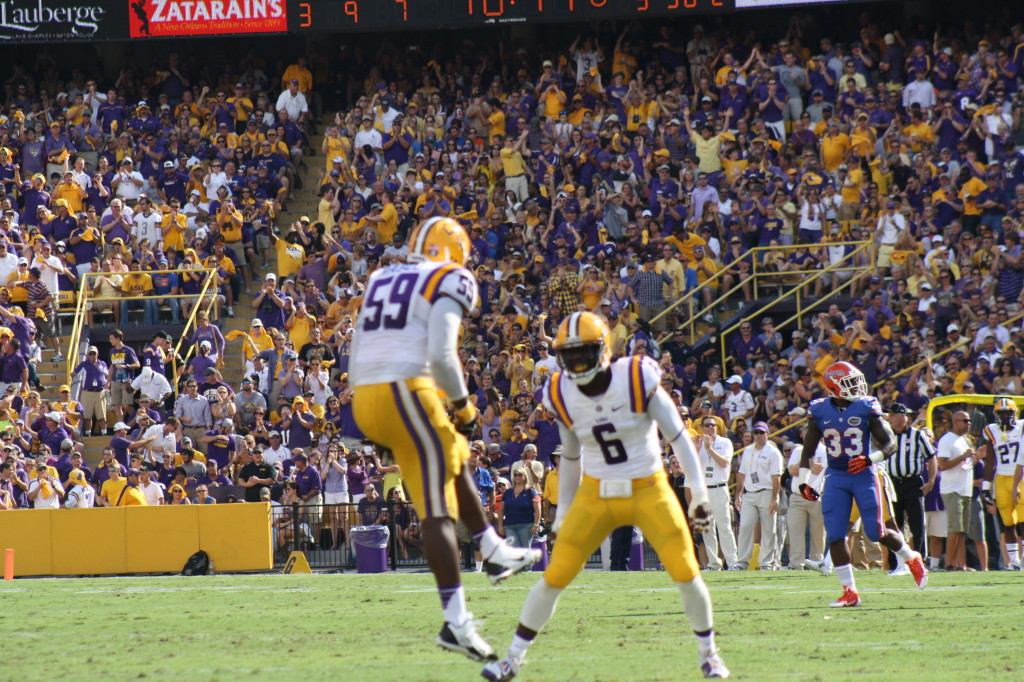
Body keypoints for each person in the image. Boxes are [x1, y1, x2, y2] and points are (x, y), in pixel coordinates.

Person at [481, 312, 728, 681]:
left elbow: (676, 435)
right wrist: (563, 510)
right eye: (571, 355)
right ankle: (512, 659)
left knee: (685, 570)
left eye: (585, 353)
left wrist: (698, 492)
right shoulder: (560, 390)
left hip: (648, 487)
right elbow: (572, 455)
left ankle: (709, 654)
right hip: (597, 492)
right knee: (555, 575)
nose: (578, 364)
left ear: (604, 351)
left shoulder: (635, 376)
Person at [351, 216, 539, 663]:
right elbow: (440, 353)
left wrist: (377, 425)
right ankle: (457, 622)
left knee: (453, 454)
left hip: (366, 395)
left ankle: (492, 550)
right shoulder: (450, 276)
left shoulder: (382, 276)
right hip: (405, 390)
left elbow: (359, 346)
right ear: (453, 252)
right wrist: (466, 409)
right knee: (436, 508)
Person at [796, 361, 928, 607]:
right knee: (835, 535)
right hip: (836, 476)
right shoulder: (819, 410)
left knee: (876, 531)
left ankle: (911, 558)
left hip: (864, 474)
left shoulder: (866, 407)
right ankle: (850, 592)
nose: (857, 386)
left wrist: (869, 458)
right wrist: (803, 482)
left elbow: (890, 445)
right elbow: (809, 450)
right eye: (849, 383)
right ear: (834, 387)